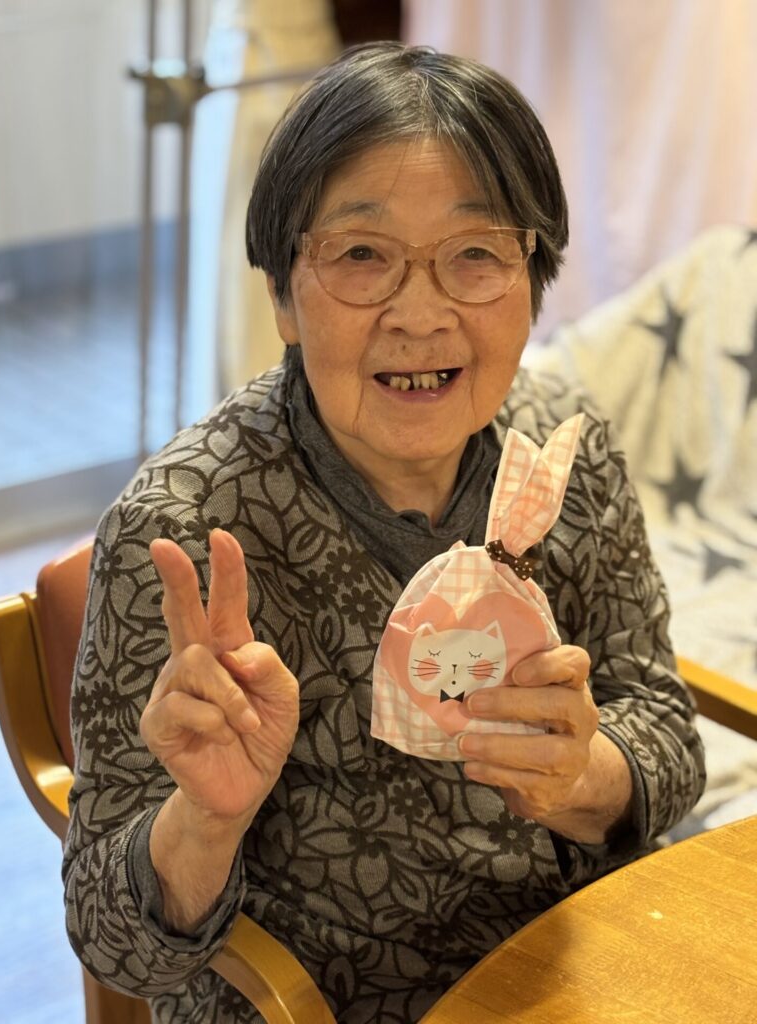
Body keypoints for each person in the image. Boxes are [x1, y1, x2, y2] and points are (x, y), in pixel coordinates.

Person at [63, 41, 706, 1024]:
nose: (420, 313)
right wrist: (204, 821)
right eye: (362, 254)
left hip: (579, 970)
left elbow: (663, 726)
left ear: (534, 280)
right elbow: (111, 937)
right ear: (281, 294)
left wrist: (585, 775)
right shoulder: (184, 531)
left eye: (476, 254)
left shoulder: (563, 461)